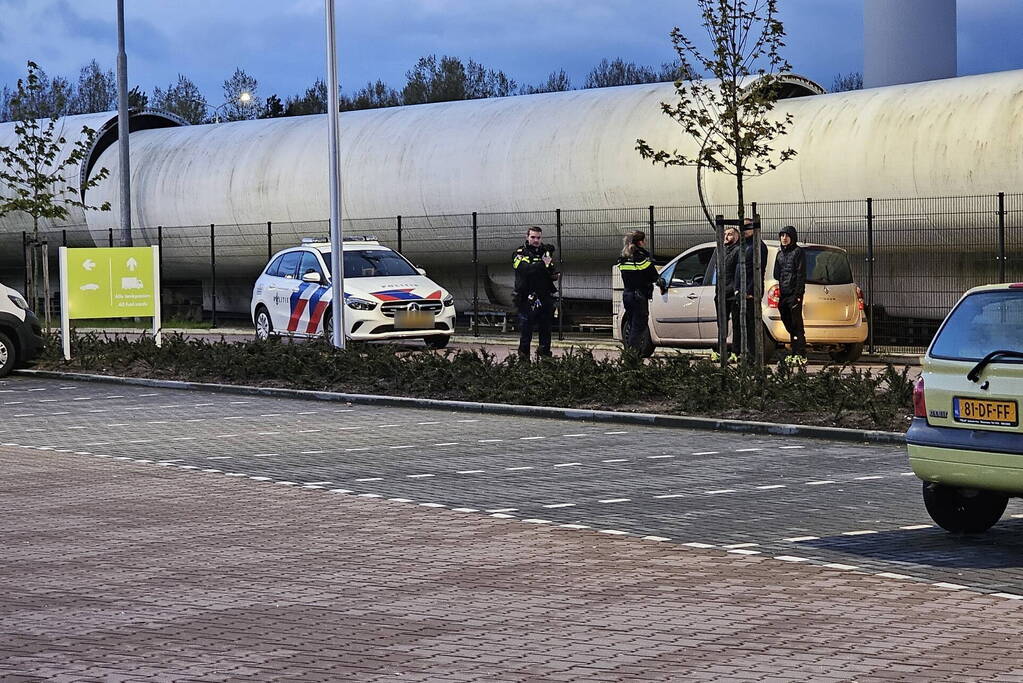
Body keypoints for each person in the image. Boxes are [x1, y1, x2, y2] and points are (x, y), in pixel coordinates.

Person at [512, 226, 560, 360]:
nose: (536, 240)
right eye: (533, 237)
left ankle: (545, 360)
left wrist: (554, 275)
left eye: (538, 237)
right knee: (526, 332)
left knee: (546, 331)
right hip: (526, 297)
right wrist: (542, 265)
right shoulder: (520, 253)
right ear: (527, 237)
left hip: (544, 296)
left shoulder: (546, 252)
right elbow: (524, 270)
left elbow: (550, 270)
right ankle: (524, 361)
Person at [616, 230, 658, 354]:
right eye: (644, 240)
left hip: (627, 295)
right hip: (639, 296)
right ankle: (632, 355)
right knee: (638, 326)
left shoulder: (623, 259)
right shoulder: (641, 259)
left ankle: (630, 352)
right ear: (640, 242)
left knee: (631, 324)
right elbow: (653, 276)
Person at [733, 218, 768, 356]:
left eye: (747, 227)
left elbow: (757, 270)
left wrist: (750, 290)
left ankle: (755, 356)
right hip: (740, 291)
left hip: (750, 292)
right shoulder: (743, 246)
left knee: (752, 325)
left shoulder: (758, 246)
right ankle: (746, 353)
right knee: (743, 325)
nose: (744, 230)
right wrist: (737, 288)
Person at [774, 224, 807, 360]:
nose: (784, 238)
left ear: (792, 237)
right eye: (782, 235)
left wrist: (798, 294)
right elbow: (777, 273)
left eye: (787, 235)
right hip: (784, 292)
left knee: (796, 323)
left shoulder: (798, 252)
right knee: (786, 319)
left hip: (794, 293)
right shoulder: (780, 254)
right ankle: (795, 349)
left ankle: (799, 353)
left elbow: (801, 274)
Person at [715, 226, 741, 352]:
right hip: (720, 293)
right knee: (721, 325)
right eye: (724, 234)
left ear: (736, 237)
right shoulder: (721, 251)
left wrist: (734, 290)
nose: (726, 236)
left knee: (736, 325)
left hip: (732, 293)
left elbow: (737, 273)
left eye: (729, 234)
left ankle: (736, 351)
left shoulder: (738, 251)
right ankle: (721, 351)